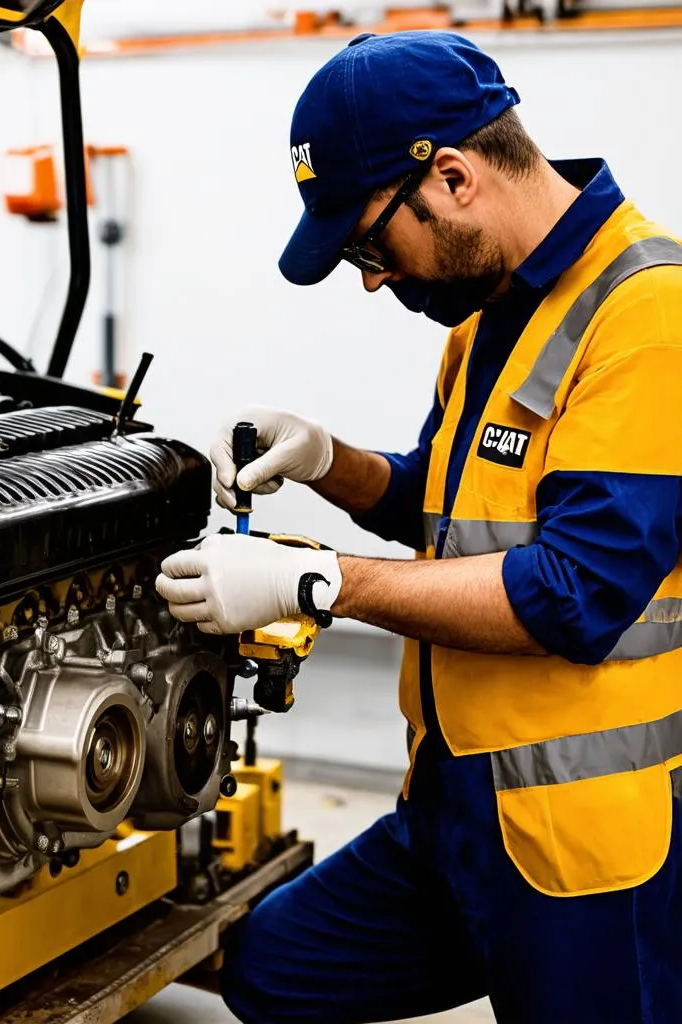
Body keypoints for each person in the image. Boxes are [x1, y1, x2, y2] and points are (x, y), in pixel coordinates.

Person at [153, 30, 682, 1024]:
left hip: (581, 843)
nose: (369, 278)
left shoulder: (647, 314)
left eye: (366, 243)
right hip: (450, 810)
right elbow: (445, 505)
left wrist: (314, 580)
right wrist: (324, 458)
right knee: (275, 968)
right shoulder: (495, 310)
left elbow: (571, 593)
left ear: (451, 178)